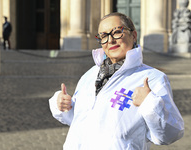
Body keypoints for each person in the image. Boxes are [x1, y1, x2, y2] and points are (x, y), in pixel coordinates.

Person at [49, 12, 184, 150]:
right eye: (104, 36)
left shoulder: (153, 78)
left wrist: (150, 103)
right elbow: (82, 119)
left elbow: (169, 134)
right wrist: (64, 105)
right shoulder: (90, 75)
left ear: (134, 35)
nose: (110, 40)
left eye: (117, 32)